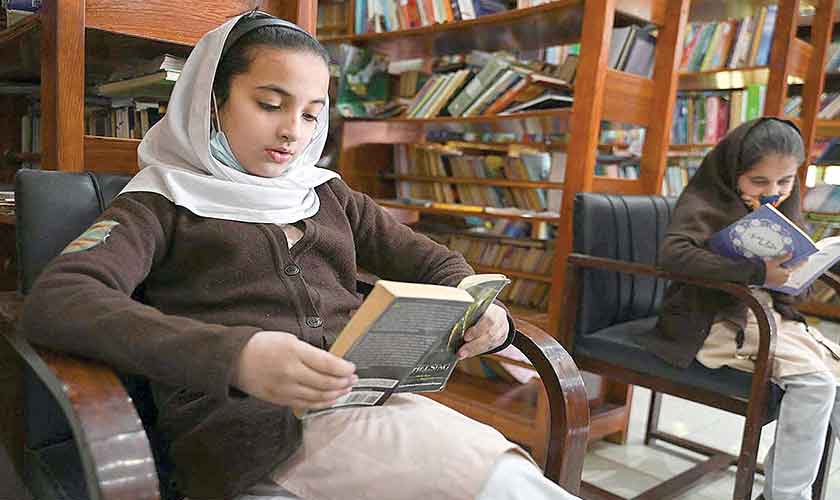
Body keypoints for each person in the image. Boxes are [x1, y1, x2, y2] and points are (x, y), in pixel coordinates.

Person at [20, 11, 581, 500]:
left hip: (367, 413)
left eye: (312, 114)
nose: (293, 132)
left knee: (501, 472)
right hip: (248, 439)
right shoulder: (160, 200)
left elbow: (435, 262)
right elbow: (61, 299)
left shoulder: (326, 194)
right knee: (501, 480)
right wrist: (236, 356)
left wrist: (481, 307)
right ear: (212, 102)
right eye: (270, 104)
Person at [644, 117, 840, 500]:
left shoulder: (781, 205)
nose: (773, 193)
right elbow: (674, 255)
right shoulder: (706, 199)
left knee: (833, 377)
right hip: (710, 320)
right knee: (815, 383)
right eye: (759, 181)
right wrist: (757, 270)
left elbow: (785, 286)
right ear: (733, 171)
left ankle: (786, 489)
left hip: (765, 315)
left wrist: (798, 273)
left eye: (785, 182)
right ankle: (785, 496)